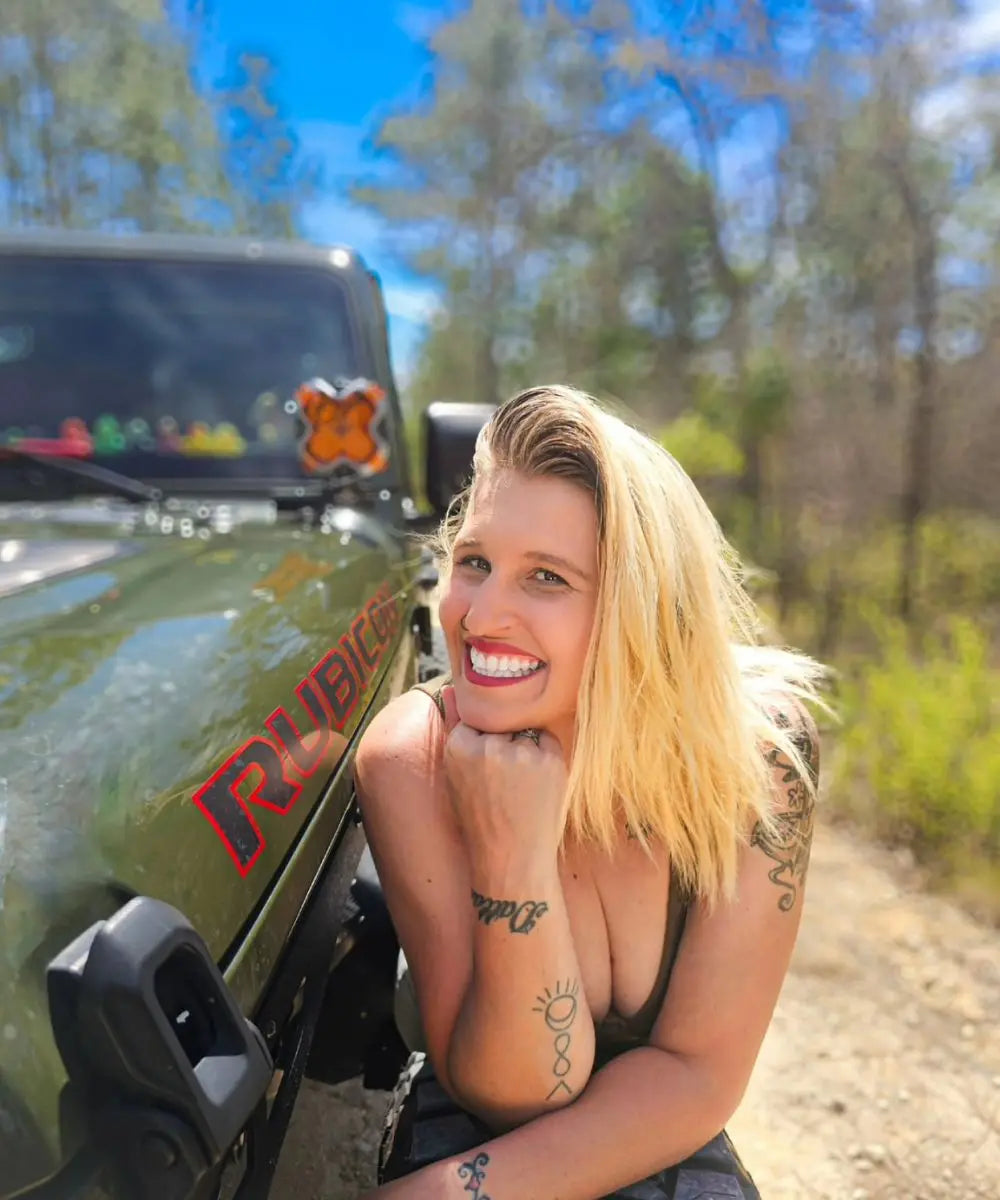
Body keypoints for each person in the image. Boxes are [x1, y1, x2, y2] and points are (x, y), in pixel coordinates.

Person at [354, 385, 826, 1200]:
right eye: (475, 563)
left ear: (641, 609)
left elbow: (698, 1074)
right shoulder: (414, 757)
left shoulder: (760, 758)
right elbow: (520, 1092)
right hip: (481, 1110)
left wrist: (442, 1195)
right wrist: (513, 857)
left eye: (546, 577)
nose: (481, 615)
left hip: (663, 1129)